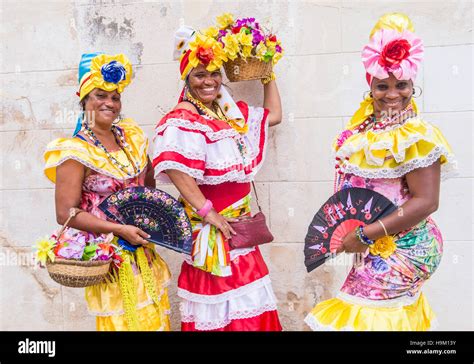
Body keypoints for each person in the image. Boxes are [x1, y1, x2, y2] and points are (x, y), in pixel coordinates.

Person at [304, 13, 457, 331]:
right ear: (369, 85)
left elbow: (426, 202)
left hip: (407, 245)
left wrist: (362, 235)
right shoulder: (367, 129)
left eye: (401, 85)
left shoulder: (416, 135)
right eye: (382, 85)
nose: (392, 94)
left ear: (413, 85)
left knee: (366, 317)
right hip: (374, 242)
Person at [153, 26, 282, 331]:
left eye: (213, 73)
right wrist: (206, 211)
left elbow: (273, 115)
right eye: (199, 74)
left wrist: (268, 72)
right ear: (186, 79)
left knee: (245, 304)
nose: (208, 81)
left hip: (239, 230)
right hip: (215, 234)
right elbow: (174, 166)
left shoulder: (225, 113)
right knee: (223, 306)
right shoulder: (184, 117)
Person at [44, 52, 171, 331]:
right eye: (100, 95)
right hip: (110, 261)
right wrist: (119, 229)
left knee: (155, 320)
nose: (109, 103)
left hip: (144, 252)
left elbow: (146, 188)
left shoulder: (132, 137)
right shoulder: (74, 152)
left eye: (115, 97)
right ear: (85, 100)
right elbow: (65, 213)